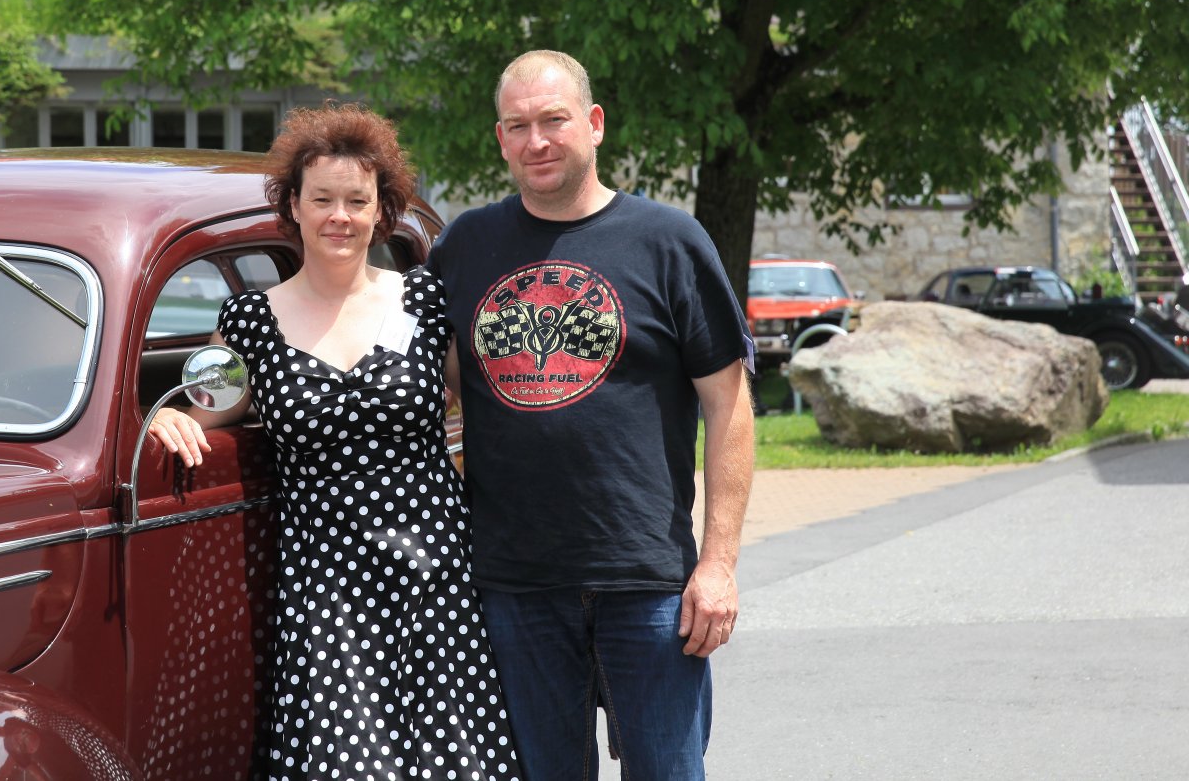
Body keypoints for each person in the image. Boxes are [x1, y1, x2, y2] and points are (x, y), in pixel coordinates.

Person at [148, 104, 519, 781]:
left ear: (383, 212)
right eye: (322, 199)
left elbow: (496, 410)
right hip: (326, 588)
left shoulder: (425, 302)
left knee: (455, 762)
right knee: (342, 762)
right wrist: (164, 420)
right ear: (293, 205)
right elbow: (204, 408)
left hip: (435, 576)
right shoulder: (250, 320)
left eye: (357, 200)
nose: (339, 216)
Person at [427, 50, 757, 781]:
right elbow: (423, 384)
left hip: (648, 580)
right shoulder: (466, 246)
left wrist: (717, 565)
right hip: (514, 584)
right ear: (500, 138)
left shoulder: (669, 241)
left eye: (554, 120)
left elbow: (730, 408)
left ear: (595, 123)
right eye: (518, 126)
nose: (537, 141)